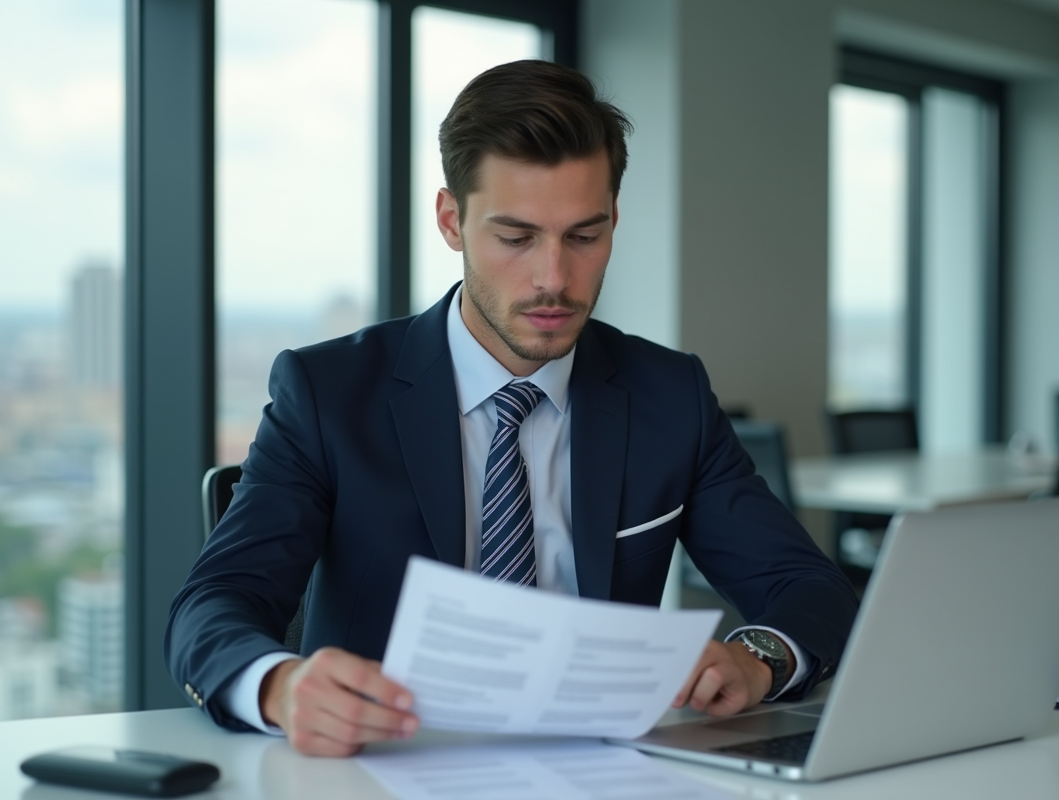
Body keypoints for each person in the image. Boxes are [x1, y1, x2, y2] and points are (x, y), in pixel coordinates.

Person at [165, 59, 858, 758]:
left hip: (604, 771)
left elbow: (808, 588)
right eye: (516, 237)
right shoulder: (328, 393)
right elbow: (212, 604)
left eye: (584, 237)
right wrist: (280, 687)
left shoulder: (668, 395)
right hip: (387, 768)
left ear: (614, 222)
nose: (553, 279)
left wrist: (758, 657)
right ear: (450, 221)